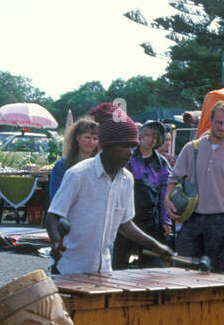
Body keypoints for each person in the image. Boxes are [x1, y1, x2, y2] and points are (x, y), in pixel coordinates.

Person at [46, 103, 175, 275]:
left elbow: (125, 224)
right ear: (106, 147)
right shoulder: (78, 174)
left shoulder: (127, 179)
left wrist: (156, 246)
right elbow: (53, 215)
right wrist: (56, 242)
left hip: (104, 270)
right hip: (70, 269)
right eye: (124, 146)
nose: (130, 152)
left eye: (132, 146)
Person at [164, 101, 224, 273]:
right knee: (182, 271)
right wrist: (168, 199)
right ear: (211, 120)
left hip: (218, 220)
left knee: (212, 275)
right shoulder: (191, 148)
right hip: (191, 219)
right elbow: (174, 177)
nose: (222, 127)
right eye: (218, 122)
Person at [112, 120, 173, 270]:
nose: (150, 140)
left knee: (150, 267)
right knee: (118, 264)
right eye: (147, 135)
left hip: (150, 221)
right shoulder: (127, 156)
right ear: (140, 135)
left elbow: (165, 194)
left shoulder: (162, 164)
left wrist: (166, 220)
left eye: (155, 137)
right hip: (125, 219)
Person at [47, 116, 98, 205]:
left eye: (95, 138)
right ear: (77, 138)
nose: (91, 142)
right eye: (87, 137)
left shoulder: (100, 165)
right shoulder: (62, 165)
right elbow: (55, 197)